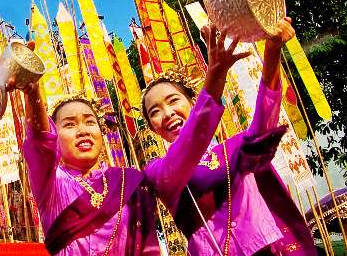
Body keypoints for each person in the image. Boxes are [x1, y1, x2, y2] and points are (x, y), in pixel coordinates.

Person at [14, 19, 265, 255]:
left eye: (90, 122)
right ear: (55, 138)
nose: (82, 130)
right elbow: (38, 140)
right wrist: (33, 89)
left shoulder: (128, 182)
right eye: (69, 125)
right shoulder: (52, 186)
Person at [140, 18, 315, 255]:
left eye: (173, 101)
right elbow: (191, 141)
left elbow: (264, 124)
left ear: (193, 103)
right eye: (155, 112)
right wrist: (215, 78)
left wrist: (272, 51)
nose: (168, 113)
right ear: (152, 127)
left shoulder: (232, 148)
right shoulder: (157, 172)